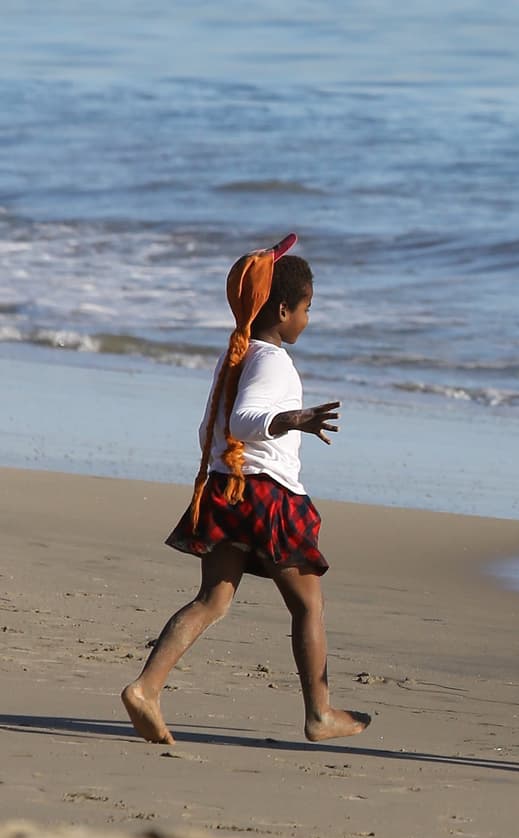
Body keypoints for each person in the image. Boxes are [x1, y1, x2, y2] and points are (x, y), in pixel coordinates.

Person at [121, 234, 370, 745]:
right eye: (307, 309)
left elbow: (213, 426)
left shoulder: (237, 354)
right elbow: (246, 418)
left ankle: (146, 688)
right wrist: (292, 418)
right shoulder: (272, 361)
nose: (307, 318)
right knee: (308, 606)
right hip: (266, 497)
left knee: (212, 600)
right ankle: (319, 713)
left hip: (224, 489)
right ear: (283, 309)